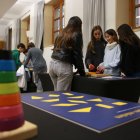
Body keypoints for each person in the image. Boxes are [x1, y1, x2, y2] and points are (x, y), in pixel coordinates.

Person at [49, 16, 85, 91]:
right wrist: (82, 71)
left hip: (52, 64)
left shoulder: (61, 33)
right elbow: (77, 54)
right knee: (62, 97)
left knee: (56, 95)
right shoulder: (77, 34)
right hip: (63, 67)